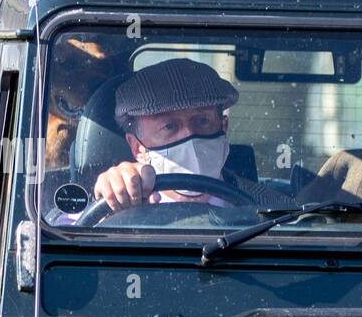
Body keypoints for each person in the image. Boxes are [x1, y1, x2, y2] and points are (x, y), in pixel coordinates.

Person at [86, 58, 285, 216]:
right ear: (137, 147)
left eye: (202, 121)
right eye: (169, 126)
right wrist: (115, 200)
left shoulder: (276, 210)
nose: (190, 135)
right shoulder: (110, 212)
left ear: (224, 128)